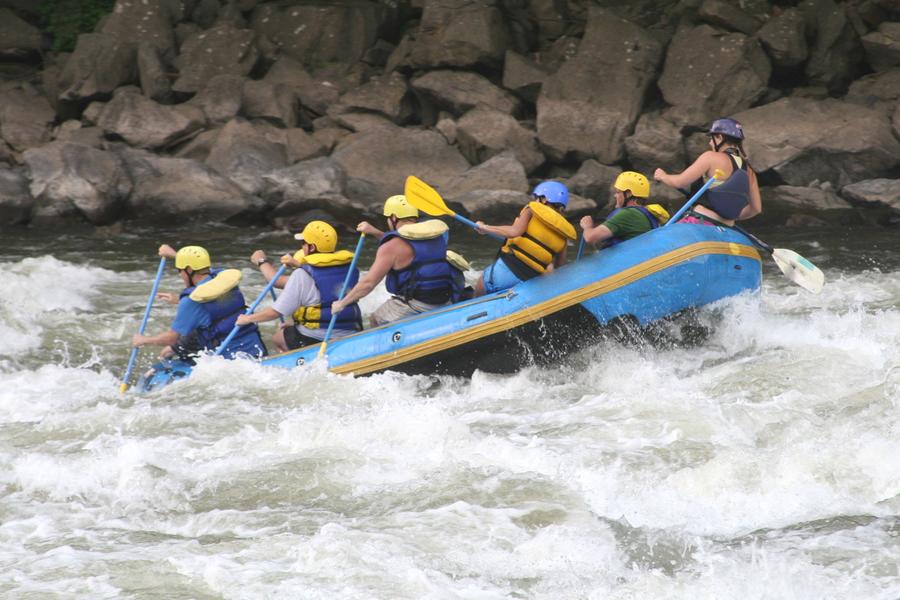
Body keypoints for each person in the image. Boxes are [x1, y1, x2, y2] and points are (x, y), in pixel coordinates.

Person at [331, 195, 463, 326]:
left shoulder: (391, 247)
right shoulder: (437, 236)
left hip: (416, 305)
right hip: (445, 300)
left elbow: (368, 284)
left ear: (394, 218)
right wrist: (375, 232)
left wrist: (342, 303)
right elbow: (408, 246)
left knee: (375, 319)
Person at [235, 221, 363, 352]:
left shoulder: (302, 275)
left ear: (311, 247)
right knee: (290, 327)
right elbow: (317, 279)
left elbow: (275, 312)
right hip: (352, 330)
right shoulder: (350, 268)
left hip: (318, 337)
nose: (302, 247)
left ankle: (296, 363)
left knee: (278, 338)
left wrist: (248, 319)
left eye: (303, 243)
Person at [132, 244, 267, 361]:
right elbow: (213, 305)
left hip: (228, 360)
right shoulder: (223, 278)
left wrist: (143, 340)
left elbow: (171, 338)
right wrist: (173, 254)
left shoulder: (190, 301)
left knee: (169, 351)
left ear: (188, 270)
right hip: (257, 348)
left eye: (180, 270)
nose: (180, 275)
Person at [473, 181, 577, 296]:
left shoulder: (532, 210)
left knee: (479, 289)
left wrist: (485, 228)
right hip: (529, 284)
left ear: (543, 199)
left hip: (503, 273)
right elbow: (560, 268)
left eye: (536, 197)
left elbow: (514, 232)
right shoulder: (563, 233)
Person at [653, 117, 762, 226]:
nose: (710, 143)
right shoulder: (749, 169)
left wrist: (663, 176)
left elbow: (679, 182)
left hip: (700, 221)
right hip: (727, 226)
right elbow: (756, 209)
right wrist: (727, 215)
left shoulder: (710, 157)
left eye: (711, 138)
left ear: (720, 137)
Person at [579, 171, 670, 246]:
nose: (615, 196)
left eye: (618, 192)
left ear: (629, 194)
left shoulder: (628, 214)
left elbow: (590, 238)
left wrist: (587, 226)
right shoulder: (646, 214)